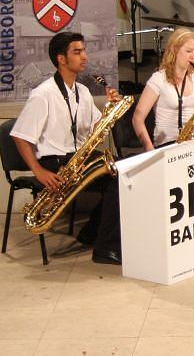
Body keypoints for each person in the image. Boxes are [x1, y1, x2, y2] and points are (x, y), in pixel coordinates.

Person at [12, 32, 123, 264]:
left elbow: (94, 129)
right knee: (117, 180)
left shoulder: (82, 91)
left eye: (84, 50)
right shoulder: (43, 94)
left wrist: (110, 110)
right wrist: (38, 171)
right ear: (61, 59)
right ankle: (105, 249)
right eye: (77, 52)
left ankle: (92, 232)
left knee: (124, 173)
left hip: (77, 157)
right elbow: (20, 137)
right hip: (54, 161)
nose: (85, 56)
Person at [132, 29, 194, 151]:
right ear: (175, 49)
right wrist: (149, 149)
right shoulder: (158, 79)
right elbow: (137, 118)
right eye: (188, 51)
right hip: (168, 145)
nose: (193, 56)